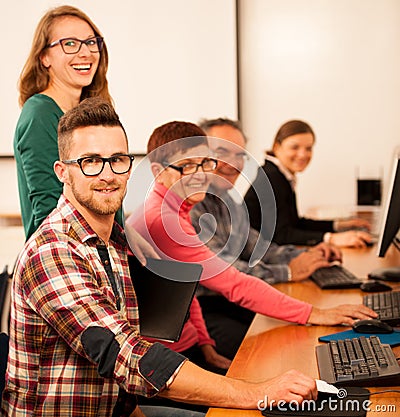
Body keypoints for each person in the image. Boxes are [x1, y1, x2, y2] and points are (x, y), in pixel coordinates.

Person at [2, 98, 321, 416]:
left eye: (117, 160)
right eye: (90, 161)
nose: (107, 174)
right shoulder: (54, 252)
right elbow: (126, 355)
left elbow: (182, 289)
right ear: (62, 172)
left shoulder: (117, 239)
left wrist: (206, 347)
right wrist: (258, 391)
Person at [127, 120, 376, 360]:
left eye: (205, 163)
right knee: (284, 352)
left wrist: (204, 343)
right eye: (188, 166)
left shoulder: (177, 208)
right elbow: (233, 284)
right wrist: (316, 313)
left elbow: (186, 286)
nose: (201, 174)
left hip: (185, 342)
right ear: (158, 172)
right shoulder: (163, 219)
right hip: (166, 355)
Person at [189, 118, 348, 357]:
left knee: (307, 333)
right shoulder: (191, 205)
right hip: (204, 310)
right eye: (222, 152)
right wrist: (289, 271)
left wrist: (305, 255)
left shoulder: (226, 199)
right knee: (277, 348)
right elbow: (225, 272)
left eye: (240, 154)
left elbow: (257, 245)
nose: (234, 163)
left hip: (230, 301)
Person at [13, 5, 153, 263]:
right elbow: (47, 207)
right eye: (69, 43)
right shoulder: (40, 113)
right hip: (66, 261)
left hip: (102, 257)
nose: (85, 52)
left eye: (91, 42)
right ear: (44, 57)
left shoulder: (88, 112)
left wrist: (129, 239)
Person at [244, 119, 373, 248]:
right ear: (277, 147)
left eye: (308, 148)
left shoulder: (279, 174)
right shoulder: (271, 177)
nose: (302, 155)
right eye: (295, 147)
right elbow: (281, 235)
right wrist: (331, 239)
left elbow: (294, 223)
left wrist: (337, 225)